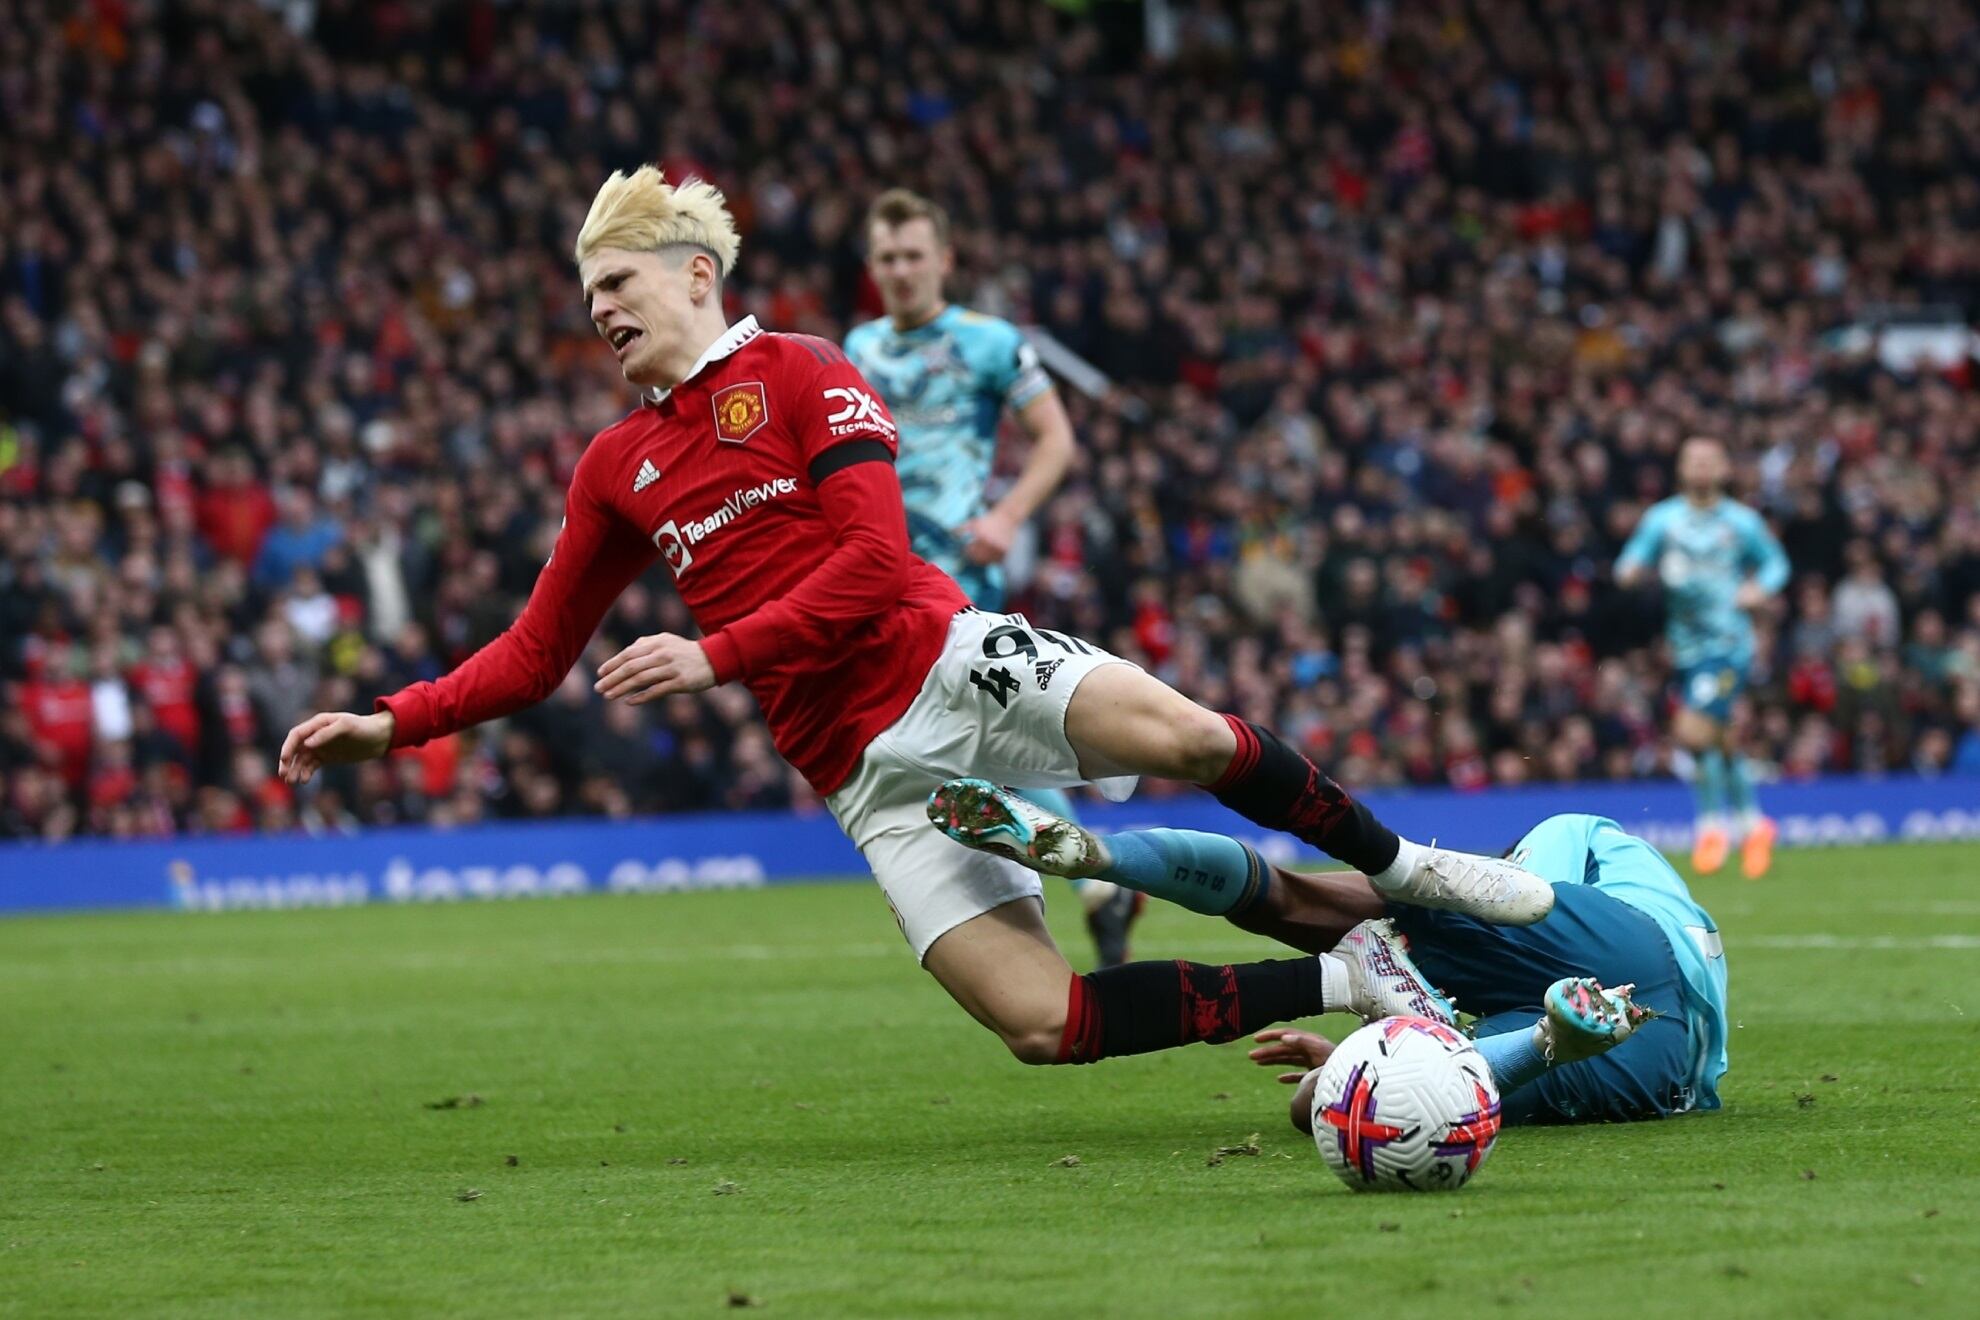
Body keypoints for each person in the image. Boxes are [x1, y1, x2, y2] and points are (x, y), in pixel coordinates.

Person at [278, 167, 1552, 1074]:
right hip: (860, 770)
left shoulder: (807, 371)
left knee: (1193, 742)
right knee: (1044, 1026)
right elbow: (534, 651)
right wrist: (389, 727)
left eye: (616, 282)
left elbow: (880, 567)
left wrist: (714, 654)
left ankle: (1402, 872)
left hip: (947, 661)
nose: (600, 310)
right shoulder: (615, 463)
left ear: (695, 275)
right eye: (587, 296)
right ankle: (1351, 975)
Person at [930, 782, 1725, 1124]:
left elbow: (1559, 849)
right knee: (1337, 1101)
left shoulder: (1575, 836)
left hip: (1622, 943)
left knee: (1304, 898)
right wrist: (1349, 1064)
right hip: (1664, 1059)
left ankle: (1108, 859)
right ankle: (1395, 1011)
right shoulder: (1611, 860)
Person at [845, 187, 1137, 968]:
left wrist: (1007, 518)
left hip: (956, 573)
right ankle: (1099, 877)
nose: (901, 271)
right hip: (881, 569)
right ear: (872, 268)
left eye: (914, 256)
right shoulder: (857, 348)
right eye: (887, 258)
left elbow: (1056, 440)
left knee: (958, 734)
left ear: (944, 259)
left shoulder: (991, 341)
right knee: (970, 742)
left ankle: (1088, 872)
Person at [1615, 437, 1790, 877]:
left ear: (1725, 468)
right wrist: (1632, 572)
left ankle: (1711, 824)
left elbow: (1776, 564)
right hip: (1686, 648)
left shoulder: (1740, 521)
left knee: (1693, 731)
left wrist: (1758, 588)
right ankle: (1752, 824)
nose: (1701, 467)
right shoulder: (1664, 519)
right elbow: (1629, 561)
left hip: (1730, 645)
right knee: (1719, 735)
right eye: (1693, 459)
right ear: (1680, 467)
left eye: (1710, 460)